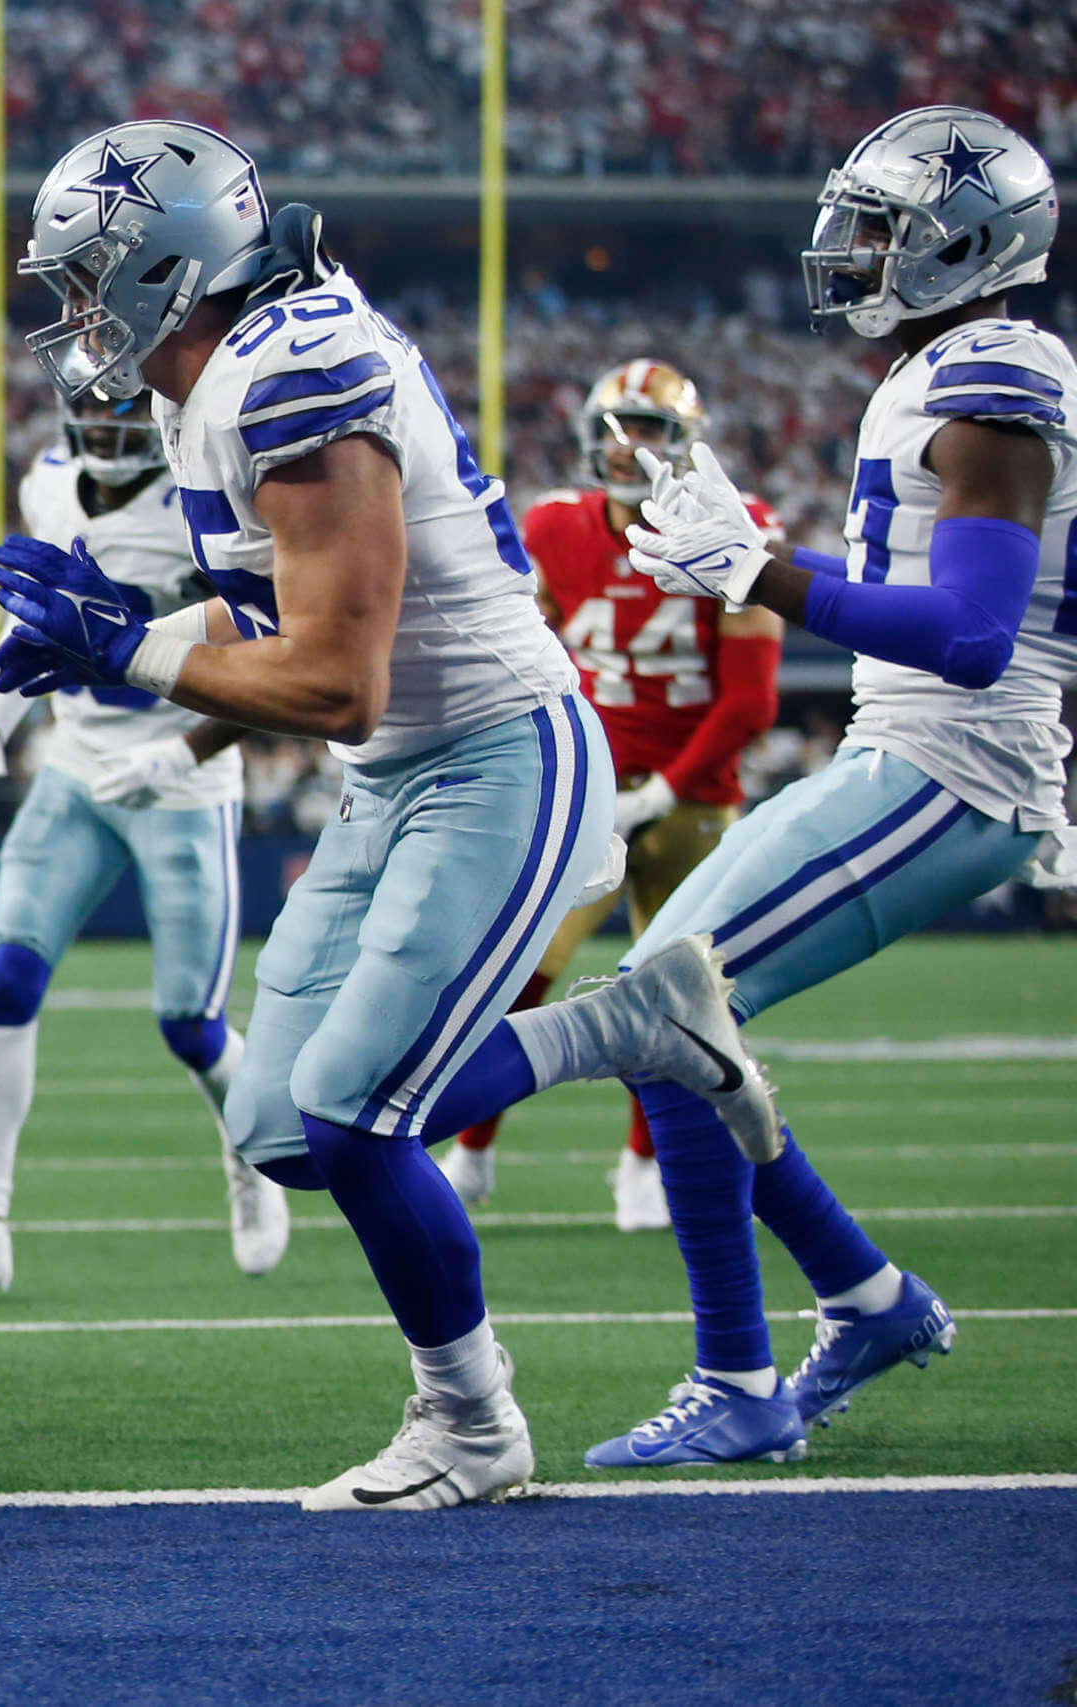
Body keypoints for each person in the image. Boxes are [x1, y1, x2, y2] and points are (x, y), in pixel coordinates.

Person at [0, 119, 764, 1511]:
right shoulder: (231, 366)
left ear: (174, 260)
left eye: (95, 276)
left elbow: (339, 678)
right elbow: (286, 604)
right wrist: (137, 631)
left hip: (494, 757)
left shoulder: (294, 371)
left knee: (352, 1113)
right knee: (280, 1121)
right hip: (405, 773)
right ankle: (630, 1027)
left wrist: (133, 652)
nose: (78, 313)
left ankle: (471, 1423)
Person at [496, 106, 1071, 1466]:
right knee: (679, 1005)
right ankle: (866, 1297)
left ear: (964, 242)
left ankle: (743, 1379)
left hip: (954, 765)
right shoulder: (957, 368)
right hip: (915, 752)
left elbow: (978, 637)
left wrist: (763, 573)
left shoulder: (994, 385)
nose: (855, 250)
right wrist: (768, 556)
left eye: (882, 228)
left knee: (661, 1001)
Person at [0, 392, 287, 1292]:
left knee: (191, 1025)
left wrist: (181, 751)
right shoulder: (52, 486)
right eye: (92, 421)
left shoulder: (212, 504)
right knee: (9, 975)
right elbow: (33, 617)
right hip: (76, 763)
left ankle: (251, 1156)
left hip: (182, 781)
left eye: (124, 422)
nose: (105, 440)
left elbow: (272, 645)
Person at [440, 362, 785, 1230]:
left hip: (693, 799)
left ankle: (642, 1163)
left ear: (687, 441)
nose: (628, 447)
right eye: (614, 425)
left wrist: (663, 790)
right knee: (520, 972)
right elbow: (531, 646)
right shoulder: (556, 524)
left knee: (671, 990)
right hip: (589, 789)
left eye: (651, 428)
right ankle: (473, 1148)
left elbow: (751, 701)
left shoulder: (737, 527)